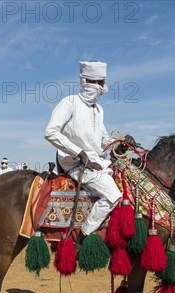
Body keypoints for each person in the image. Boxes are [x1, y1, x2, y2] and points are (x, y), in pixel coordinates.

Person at [44, 60, 135, 238]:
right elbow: (50, 132)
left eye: (102, 83)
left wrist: (120, 143)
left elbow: (102, 140)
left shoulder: (99, 109)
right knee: (113, 196)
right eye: (95, 83)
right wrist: (78, 152)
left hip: (97, 161)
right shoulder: (69, 102)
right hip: (75, 163)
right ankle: (84, 235)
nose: (100, 87)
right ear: (85, 82)